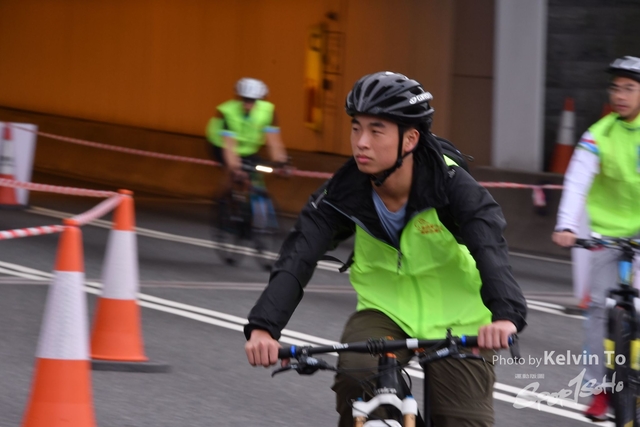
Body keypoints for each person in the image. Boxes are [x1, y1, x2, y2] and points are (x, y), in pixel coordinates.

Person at [244, 71, 527, 426]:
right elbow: (299, 254)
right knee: (356, 378)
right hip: (384, 312)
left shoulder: (450, 184)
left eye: (376, 131)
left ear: (410, 139)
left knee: (461, 418)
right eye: (356, 128)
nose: (361, 142)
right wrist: (263, 327)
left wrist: (505, 315)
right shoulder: (344, 191)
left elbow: (489, 246)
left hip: (460, 317)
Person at [552, 55, 640, 422]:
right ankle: (599, 388)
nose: (620, 95)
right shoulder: (599, 133)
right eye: (615, 88)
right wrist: (566, 225)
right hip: (606, 231)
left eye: (629, 88)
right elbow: (577, 180)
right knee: (597, 314)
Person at [205, 77, 288, 187]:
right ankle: (224, 193)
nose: (247, 104)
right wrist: (235, 169)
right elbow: (229, 147)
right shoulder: (228, 112)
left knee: (256, 177)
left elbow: (274, 142)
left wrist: (282, 162)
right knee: (234, 173)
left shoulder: (268, 111)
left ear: (259, 100)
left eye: (252, 100)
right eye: (244, 99)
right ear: (239, 98)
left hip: (247, 147)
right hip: (220, 144)